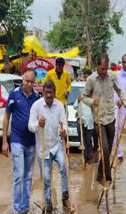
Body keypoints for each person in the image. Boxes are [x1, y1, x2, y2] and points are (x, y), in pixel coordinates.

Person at [82, 53, 126, 185]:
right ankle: (107, 177)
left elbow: (119, 90)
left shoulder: (112, 76)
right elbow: (84, 97)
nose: (104, 71)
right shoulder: (91, 80)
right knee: (104, 148)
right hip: (99, 119)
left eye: (106, 68)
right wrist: (93, 101)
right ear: (97, 66)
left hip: (111, 117)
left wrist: (125, 102)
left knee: (109, 149)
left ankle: (100, 175)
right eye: (102, 69)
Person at [29, 80, 73, 213]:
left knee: (64, 168)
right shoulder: (36, 106)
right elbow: (30, 126)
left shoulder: (59, 106)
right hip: (43, 149)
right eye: (46, 93)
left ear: (54, 93)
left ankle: (65, 198)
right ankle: (48, 205)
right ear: (43, 92)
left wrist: (64, 130)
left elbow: (64, 123)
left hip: (56, 145)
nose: (48, 95)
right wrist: (38, 124)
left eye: (51, 93)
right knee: (46, 178)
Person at [2, 70, 39, 214]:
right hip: (17, 140)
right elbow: (6, 118)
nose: (29, 84)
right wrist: (5, 141)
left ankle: (25, 208)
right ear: (22, 80)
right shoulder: (14, 95)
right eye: (27, 81)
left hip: (32, 142)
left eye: (31, 82)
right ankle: (17, 209)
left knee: (29, 176)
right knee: (19, 174)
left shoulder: (37, 97)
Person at [73, 70, 97, 164]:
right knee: (81, 141)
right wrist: (78, 101)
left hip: (89, 122)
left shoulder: (91, 98)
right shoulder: (80, 97)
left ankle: (89, 158)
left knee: (88, 141)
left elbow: (95, 108)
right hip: (80, 121)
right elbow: (75, 107)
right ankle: (84, 158)